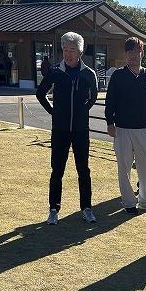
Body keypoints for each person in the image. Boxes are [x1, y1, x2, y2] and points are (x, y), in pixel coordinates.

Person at [36, 31, 98, 225]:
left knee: (83, 170)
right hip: (60, 130)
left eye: (72, 49)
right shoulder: (55, 71)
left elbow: (94, 96)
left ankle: (86, 208)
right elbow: (40, 93)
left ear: (80, 52)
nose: (68, 53)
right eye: (65, 49)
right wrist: (54, 112)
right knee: (57, 170)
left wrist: (82, 111)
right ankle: (53, 209)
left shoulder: (89, 73)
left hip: (81, 130)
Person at [104, 37, 146, 215]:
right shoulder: (118, 76)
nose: (133, 56)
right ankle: (128, 201)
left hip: (143, 129)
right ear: (125, 54)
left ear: (142, 53)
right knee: (124, 167)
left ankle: (145, 200)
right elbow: (110, 101)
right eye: (129, 53)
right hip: (121, 129)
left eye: (136, 52)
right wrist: (109, 122)